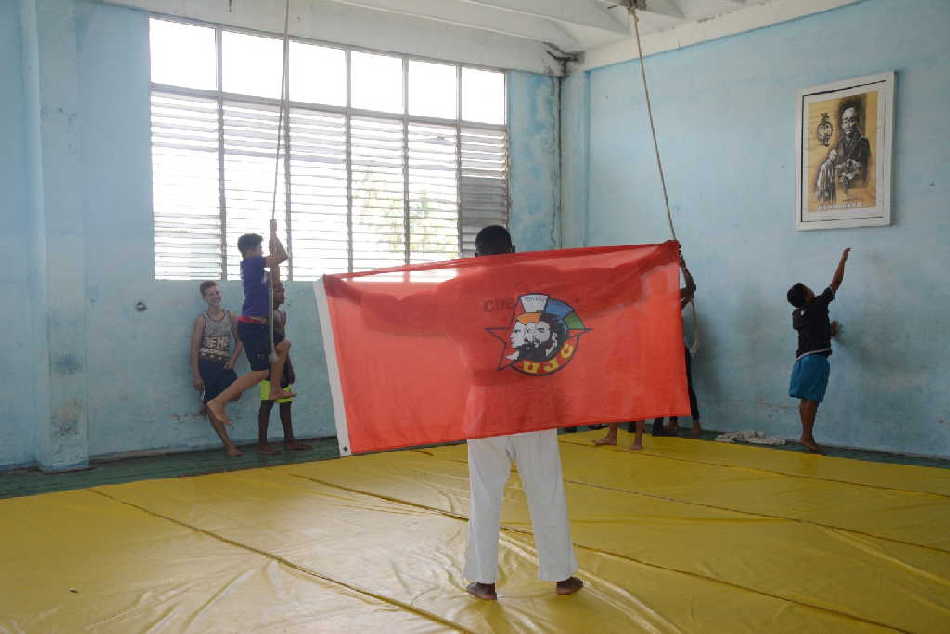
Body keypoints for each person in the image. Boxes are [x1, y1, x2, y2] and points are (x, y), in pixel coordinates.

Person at [464, 225, 583, 600]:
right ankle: (562, 577)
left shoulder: (460, 290)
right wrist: (651, 265)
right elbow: (596, 283)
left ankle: (484, 581)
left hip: (486, 407)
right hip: (534, 403)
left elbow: (402, 310)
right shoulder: (542, 280)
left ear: (476, 255)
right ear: (513, 249)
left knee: (485, 494)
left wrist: (346, 293)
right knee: (546, 489)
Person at [594, 254, 697, 450]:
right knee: (616, 395)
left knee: (637, 397)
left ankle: (638, 440)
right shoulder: (629, 304)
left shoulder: (662, 302)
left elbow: (690, 289)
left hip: (644, 354)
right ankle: (612, 435)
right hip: (622, 353)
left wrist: (682, 267)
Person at [206, 220, 295, 428]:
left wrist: (273, 237)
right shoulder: (252, 263)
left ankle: (275, 389)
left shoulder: (255, 268)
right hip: (252, 326)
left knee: (283, 346)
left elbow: (275, 264)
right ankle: (217, 402)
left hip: (262, 325)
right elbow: (282, 257)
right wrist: (273, 233)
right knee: (260, 372)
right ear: (251, 250)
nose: (263, 251)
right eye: (260, 248)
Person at [786, 248, 851, 453]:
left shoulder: (797, 314)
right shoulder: (817, 305)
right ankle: (807, 436)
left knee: (805, 398)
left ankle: (805, 435)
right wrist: (843, 260)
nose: (812, 289)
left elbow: (811, 333)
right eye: (808, 288)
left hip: (802, 360)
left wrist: (827, 332)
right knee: (812, 400)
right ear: (806, 295)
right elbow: (836, 283)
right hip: (815, 360)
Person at [257, 279, 312, 455]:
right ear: (270, 293)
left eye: (283, 290)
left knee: (286, 403)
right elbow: (267, 343)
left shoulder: (282, 314)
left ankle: (289, 440)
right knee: (266, 404)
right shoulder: (264, 315)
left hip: (282, 364)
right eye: (278, 290)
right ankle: (262, 443)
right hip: (269, 364)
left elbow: (282, 342)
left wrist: (289, 366)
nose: (283, 294)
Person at [190, 281, 244, 456]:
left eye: (217, 293)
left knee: (236, 393)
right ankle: (229, 446)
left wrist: (233, 360)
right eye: (211, 294)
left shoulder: (230, 316)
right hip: (206, 365)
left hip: (224, 365)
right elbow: (194, 348)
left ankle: (208, 404)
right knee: (213, 406)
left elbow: (240, 341)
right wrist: (197, 376)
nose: (215, 296)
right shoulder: (201, 320)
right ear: (204, 298)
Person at [653, 257, 701, 438]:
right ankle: (671, 422)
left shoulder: (670, 301)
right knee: (666, 387)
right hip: (664, 352)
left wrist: (683, 267)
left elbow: (690, 288)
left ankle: (694, 423)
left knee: (685, 385)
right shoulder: (659, 303)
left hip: (677, 351)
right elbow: (689, 290)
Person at [816, 102, 871, 204]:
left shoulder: (863, 142)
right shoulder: (840, 143)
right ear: (842, 125)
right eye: (845, 121)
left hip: (857, 189)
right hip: (840, 189)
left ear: (857, 122)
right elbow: (835, 162)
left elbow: (865, 167)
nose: (848, 125)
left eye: (851, 120)